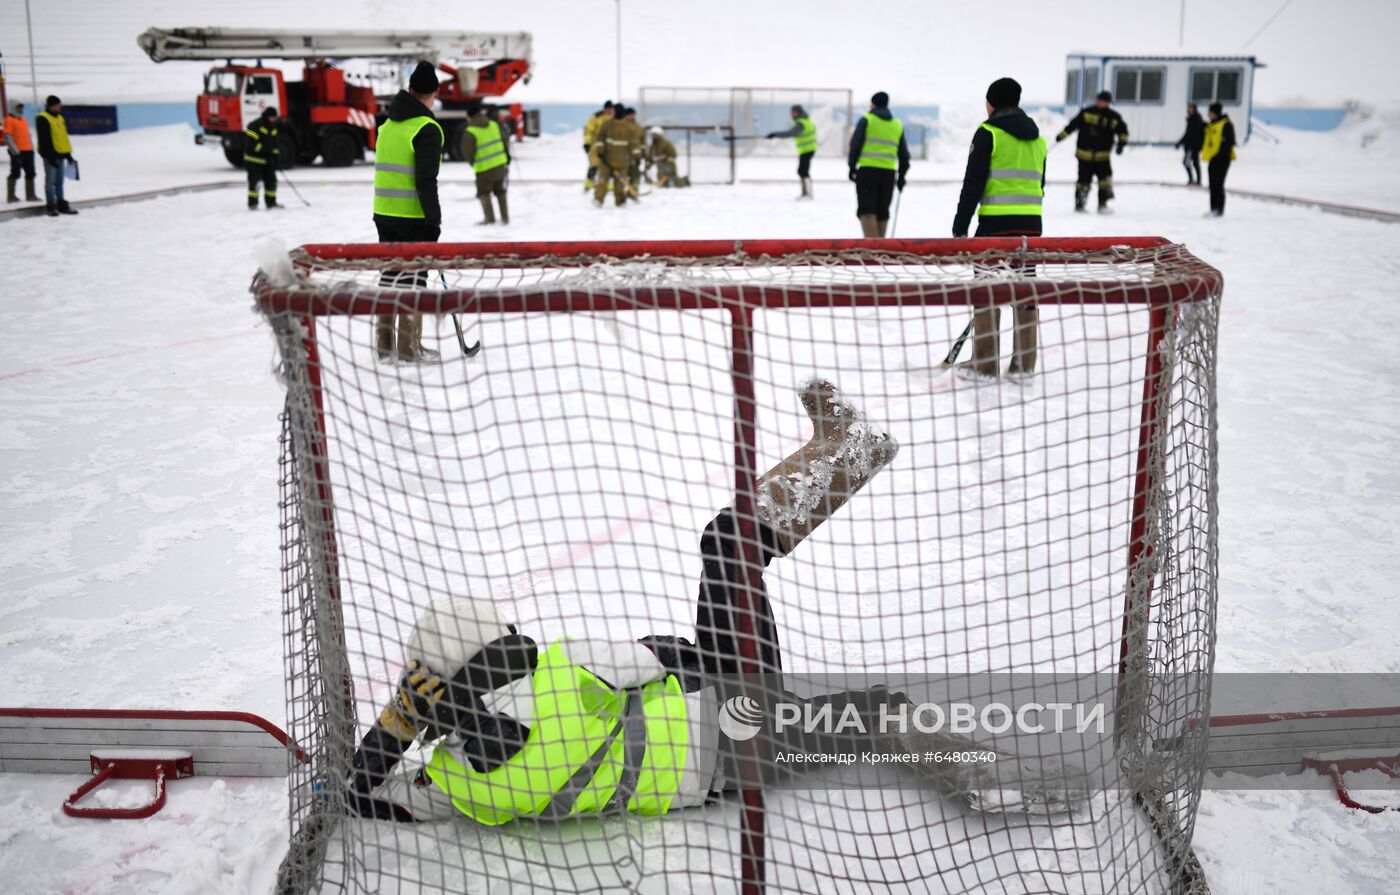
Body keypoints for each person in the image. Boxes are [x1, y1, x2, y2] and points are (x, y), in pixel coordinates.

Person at [343, 379, 1089, 825]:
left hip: (718, 711)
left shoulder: (462, 780)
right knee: (732, 545)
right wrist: (440, 712)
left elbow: (364, 789)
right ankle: (993, 775)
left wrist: (401, 726)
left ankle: (845, 444)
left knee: (750, 570)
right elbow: (644, 658)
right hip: (740, 728)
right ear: (488, 666)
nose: (520, 640)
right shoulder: (541, 699)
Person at [953, 77, 1046, 381]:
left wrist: (960, 224)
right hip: (1030, 228)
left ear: (991, 103)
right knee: (1025, 292)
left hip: (994, 225)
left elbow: (973, 183)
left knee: (986, 291)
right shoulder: (1037, 138)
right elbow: (1039, 182)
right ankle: (1024, 365)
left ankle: (985, 363)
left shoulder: (987, 133)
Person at [372, 61, 444, 363]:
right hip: (413, 217)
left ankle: (385, 344)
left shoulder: (388, 125)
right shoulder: (426, 128)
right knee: (414, 282)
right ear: (435, 92)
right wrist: (434, 221)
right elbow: (426, 180)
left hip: (384, 213)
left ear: (410, 89)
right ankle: (408, 348)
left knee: (390, 278)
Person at [848, 92, 911, 237]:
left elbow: (855, 145)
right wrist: (901, 176)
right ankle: (881, 245)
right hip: (888, 174)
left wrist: (851, 166)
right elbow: (904, 155)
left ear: (873, 104)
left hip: (867, 171)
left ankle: (873, 247)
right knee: (883, 210)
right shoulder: (897, 124)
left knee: (867, 209)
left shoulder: (867, 120)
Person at [1056, 90, 1128, 213]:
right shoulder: (1086, 112)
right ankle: (1080, 205)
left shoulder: (1114, 117)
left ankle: (1102, 205)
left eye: (1104, 101)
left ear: (1108, 103)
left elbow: (1123, 132)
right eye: (1099, 100)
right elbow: (1072, 125)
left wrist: (1121, 144)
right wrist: (1062, 136)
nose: (1101, 103)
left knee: (1104, 182)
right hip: (1084, 156)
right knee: (1083, 182)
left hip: (1102, 157)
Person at [461, 104, 511, 225]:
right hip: (500, 164)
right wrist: (506, 157)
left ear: (469, 117)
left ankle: (490, 219)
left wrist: (474, 163)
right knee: (501, 191)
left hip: (484, 169)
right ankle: (505, 218)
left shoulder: (470, 131)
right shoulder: (494, 125)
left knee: (484, 192)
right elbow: (505, 141)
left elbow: (466, 152)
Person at [35, 96, 77, 217]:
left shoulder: (59, 117)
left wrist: (68, 154)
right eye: (58, 104)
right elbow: (44, 140)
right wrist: (49, 155)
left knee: (59, 181)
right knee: (50, 181)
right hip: (50, 156)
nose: (60, 106)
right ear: (51, 105)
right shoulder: (43, 118)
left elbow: (63, 137)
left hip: (61, 155)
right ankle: (51, 205)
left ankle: (61, 203)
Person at [766, 104, 818, 199]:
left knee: (802, 171)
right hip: (808, 149)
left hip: (807, 149)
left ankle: (807, 193)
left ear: (798, 112)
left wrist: (775, 134)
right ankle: (806, 193)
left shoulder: (801, 123)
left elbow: (791, 133)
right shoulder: (806, 120)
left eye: (793, 112)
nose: (791, 114)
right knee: (803, 171)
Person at [590, 105, 632, 208]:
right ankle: (598, 200)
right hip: (606, 161)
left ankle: (621, 202)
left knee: (620, 184)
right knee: (602, 181)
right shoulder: (606, 125)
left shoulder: (628, 127)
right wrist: (600, 151)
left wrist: (635, 157)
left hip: (622, 161)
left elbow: (633, 143)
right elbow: (599, 138)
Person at [1202, 102, 1237, 218]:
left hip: (1223, 159)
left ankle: (1219, 210)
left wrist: (1221, 155)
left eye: (1210, 113)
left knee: (1218, 184)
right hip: (1213, 159)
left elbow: (1230, 142)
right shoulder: (1211, 125)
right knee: (1212, 185)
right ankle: (1213, 209)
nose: (1208, 115)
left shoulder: (1226, 125)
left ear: (1216, 113)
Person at [243, 106, 280, 210]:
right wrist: (264, 151)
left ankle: (271, 203)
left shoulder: (272, 127)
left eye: (275, 117)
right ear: (267, 116)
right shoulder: (254, 126)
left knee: (271, 181)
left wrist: (275, 157)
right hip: (253, 160)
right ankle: (253, 204)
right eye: (272, 117)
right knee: (255, 183)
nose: (274, 119)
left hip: (267, 160)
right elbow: (252, 144)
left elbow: (274, 144)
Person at [4, 100, 37, 204]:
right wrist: (15, 152)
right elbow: (8, 137)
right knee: (15, 173)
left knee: (31, 173)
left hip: (28, 151)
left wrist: (31, 148)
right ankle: (11, 195)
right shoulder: (9, 120)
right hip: (18, 152)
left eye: (22, 107)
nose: (21, 110)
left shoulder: (24, 120)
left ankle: (30, 195)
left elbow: (28, 135)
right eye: (18, 107)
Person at [583, 100, 613, 191]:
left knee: (609, 166)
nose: (609, 111)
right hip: (596, 146)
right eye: (608, 109)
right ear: (604, 109)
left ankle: (609, 186)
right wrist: (587, 143)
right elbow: (588, 130)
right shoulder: (597, 117)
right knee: (594, 165)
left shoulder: (615, 116)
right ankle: (589, 184)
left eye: (611, 109)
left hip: (611, 147)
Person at [1175, 103, 1205, 187]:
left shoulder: (1197, 120)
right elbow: (1187, 134)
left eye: (1191, 109)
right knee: (1193, 163)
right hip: (1189, 146)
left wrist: (1199, 144)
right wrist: (1180, 142)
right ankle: (1194, 180)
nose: (1189, 110)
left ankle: (1195, 180)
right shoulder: (1190, 120)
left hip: (1194, 146)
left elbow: (1198, 134)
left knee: (1188, 162)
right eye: (1189, 109)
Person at [623, 107, 646, 200]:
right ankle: (620, 195)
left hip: (636, 157)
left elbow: (642, 141)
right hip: (624, 156)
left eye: (633, 114)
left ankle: (633, 193)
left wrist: (642, 153)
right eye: (630, 115)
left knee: (635, 175)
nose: (632, 117)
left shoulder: (638, 126)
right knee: (623, 176)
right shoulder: (622, 125)